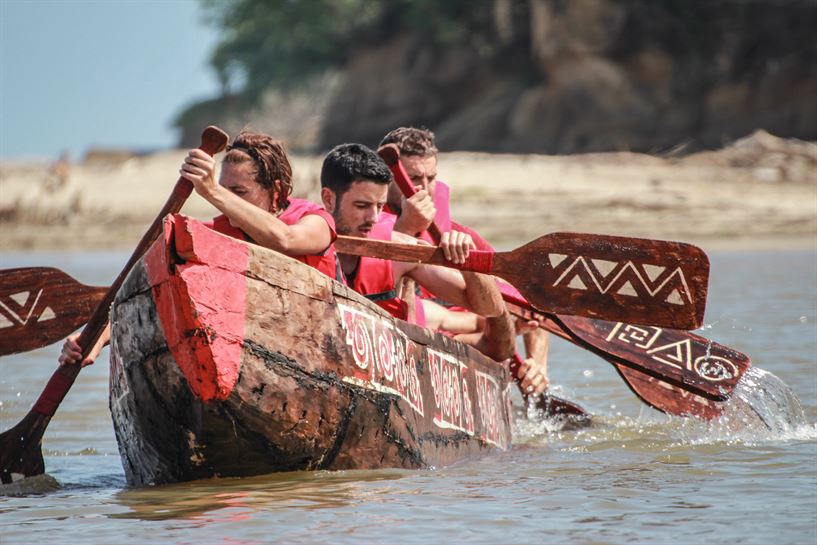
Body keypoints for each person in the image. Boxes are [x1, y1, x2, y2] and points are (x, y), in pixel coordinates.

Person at [60, 131, 338, 367]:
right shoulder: (210, 234)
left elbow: (286, 240)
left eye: (239, 192)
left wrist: (211, 192)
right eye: (223, 188)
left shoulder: (313, 220)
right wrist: (94, 339)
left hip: (311, 347)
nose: (226, 200)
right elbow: (146, 292)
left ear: (275, 190)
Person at [376, 126, 551, 395]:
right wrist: (407, 229)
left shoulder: (458, 235)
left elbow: (531, 304)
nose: (422, 189)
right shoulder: (368, 226)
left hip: (474, 344)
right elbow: (372, 280)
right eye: (412, 178)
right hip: (409, 344)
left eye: (430, 178)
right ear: (386, 181)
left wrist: (537, 365)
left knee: (503, 317)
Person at [319, 143, 515, 362]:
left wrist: (467, 263)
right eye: (362, 206)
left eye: (379, 206)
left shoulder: (401, 247)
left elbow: (490, 308)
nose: (373, 218)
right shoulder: (301, 241)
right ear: (328, 199)